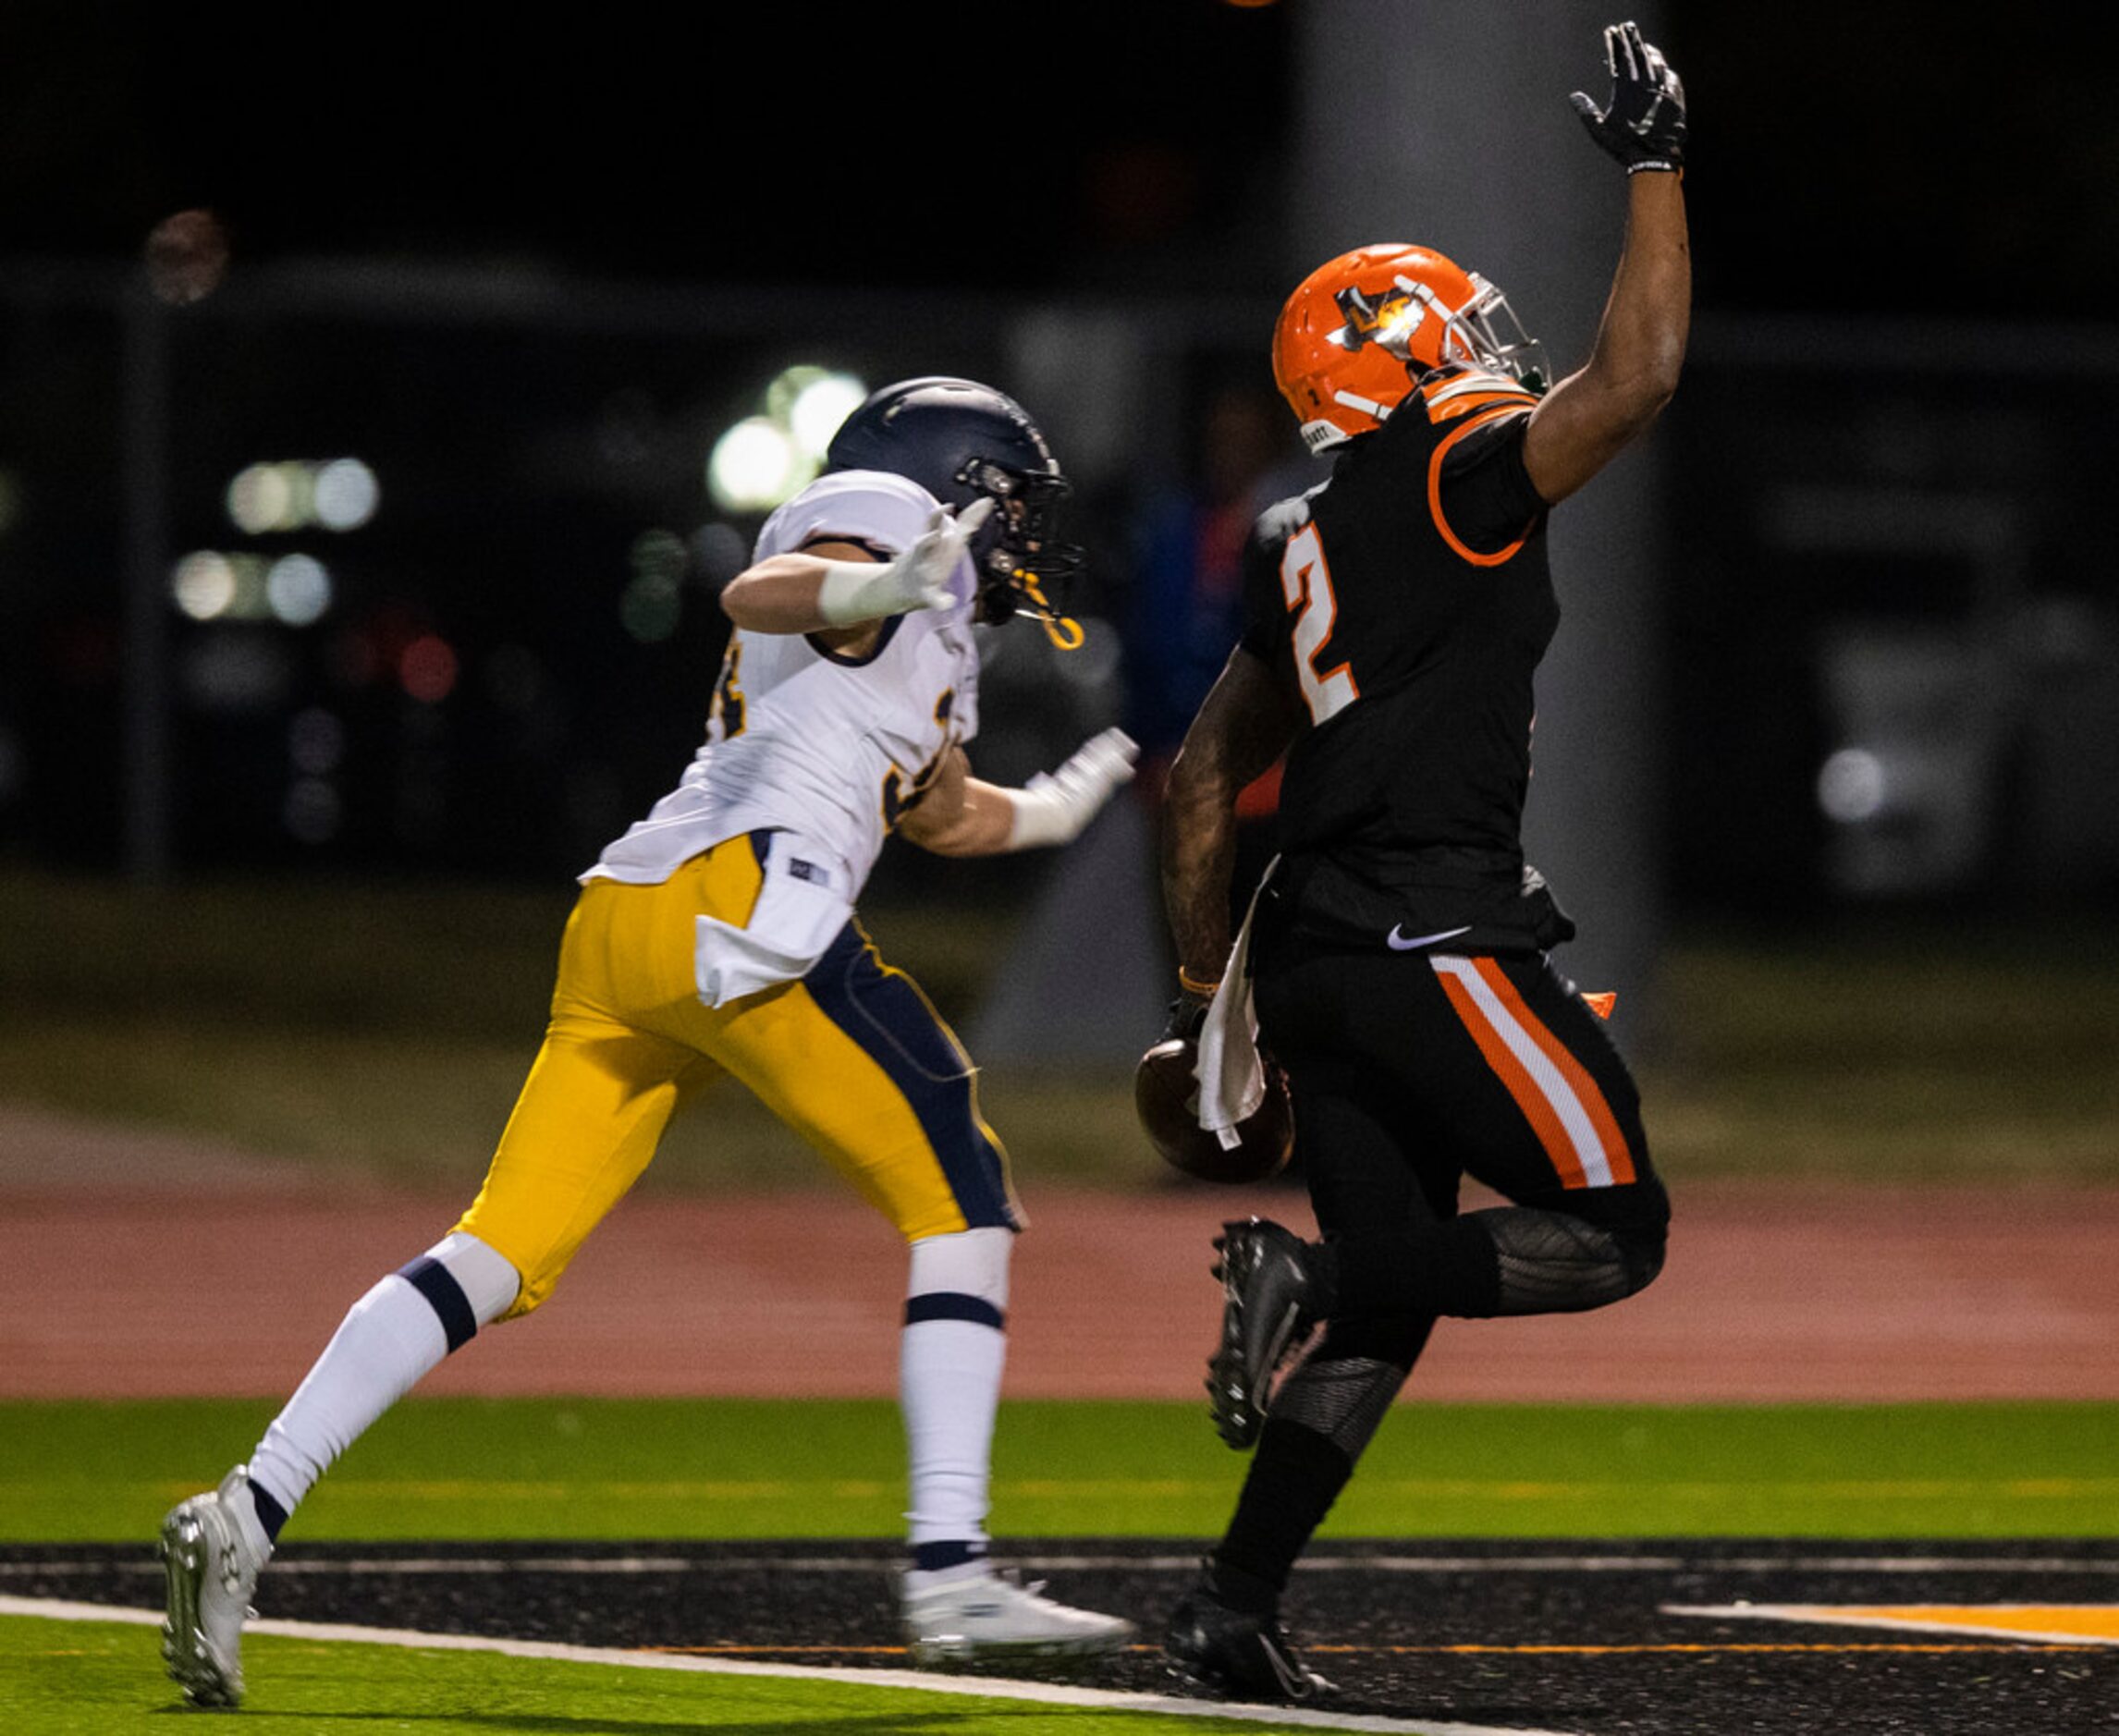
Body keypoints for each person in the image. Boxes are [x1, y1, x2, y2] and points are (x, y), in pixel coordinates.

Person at [158, 375, 1141, 1708]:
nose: (1025, 536)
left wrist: (1062, 806)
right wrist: (879, 583)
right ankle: (952, 1564)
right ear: (957, 480)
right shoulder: (880, 515)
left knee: (495, 1251)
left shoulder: (932, 621)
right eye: (1012, 504)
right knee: (960, 1193)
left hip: (627, 924)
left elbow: (944, 812)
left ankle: (245, 1507)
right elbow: (764, 590)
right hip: (747, 911)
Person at [1152, 22, 1690, 1702]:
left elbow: (1196, 784)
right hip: (1434, 932)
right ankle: (1302, 1269)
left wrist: (1196, 1012)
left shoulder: (1301, 528)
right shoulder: (1461, 475)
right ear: (1394, 358)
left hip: (1312, 953)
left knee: (1398, 1309)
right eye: (1450, 325)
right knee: (1613, 1225)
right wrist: (1657, 169)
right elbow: (1642, 376)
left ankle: (1231, 1607)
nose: (1481, 342)